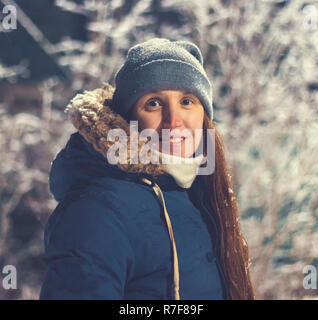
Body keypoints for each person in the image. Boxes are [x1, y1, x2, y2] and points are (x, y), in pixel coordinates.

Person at [39, 38, 255, 300]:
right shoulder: (98, 209)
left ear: (204, 114)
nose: (174, 120)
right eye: (153, 103)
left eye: (187, 101)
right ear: (127, 119)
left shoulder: (196, 193)